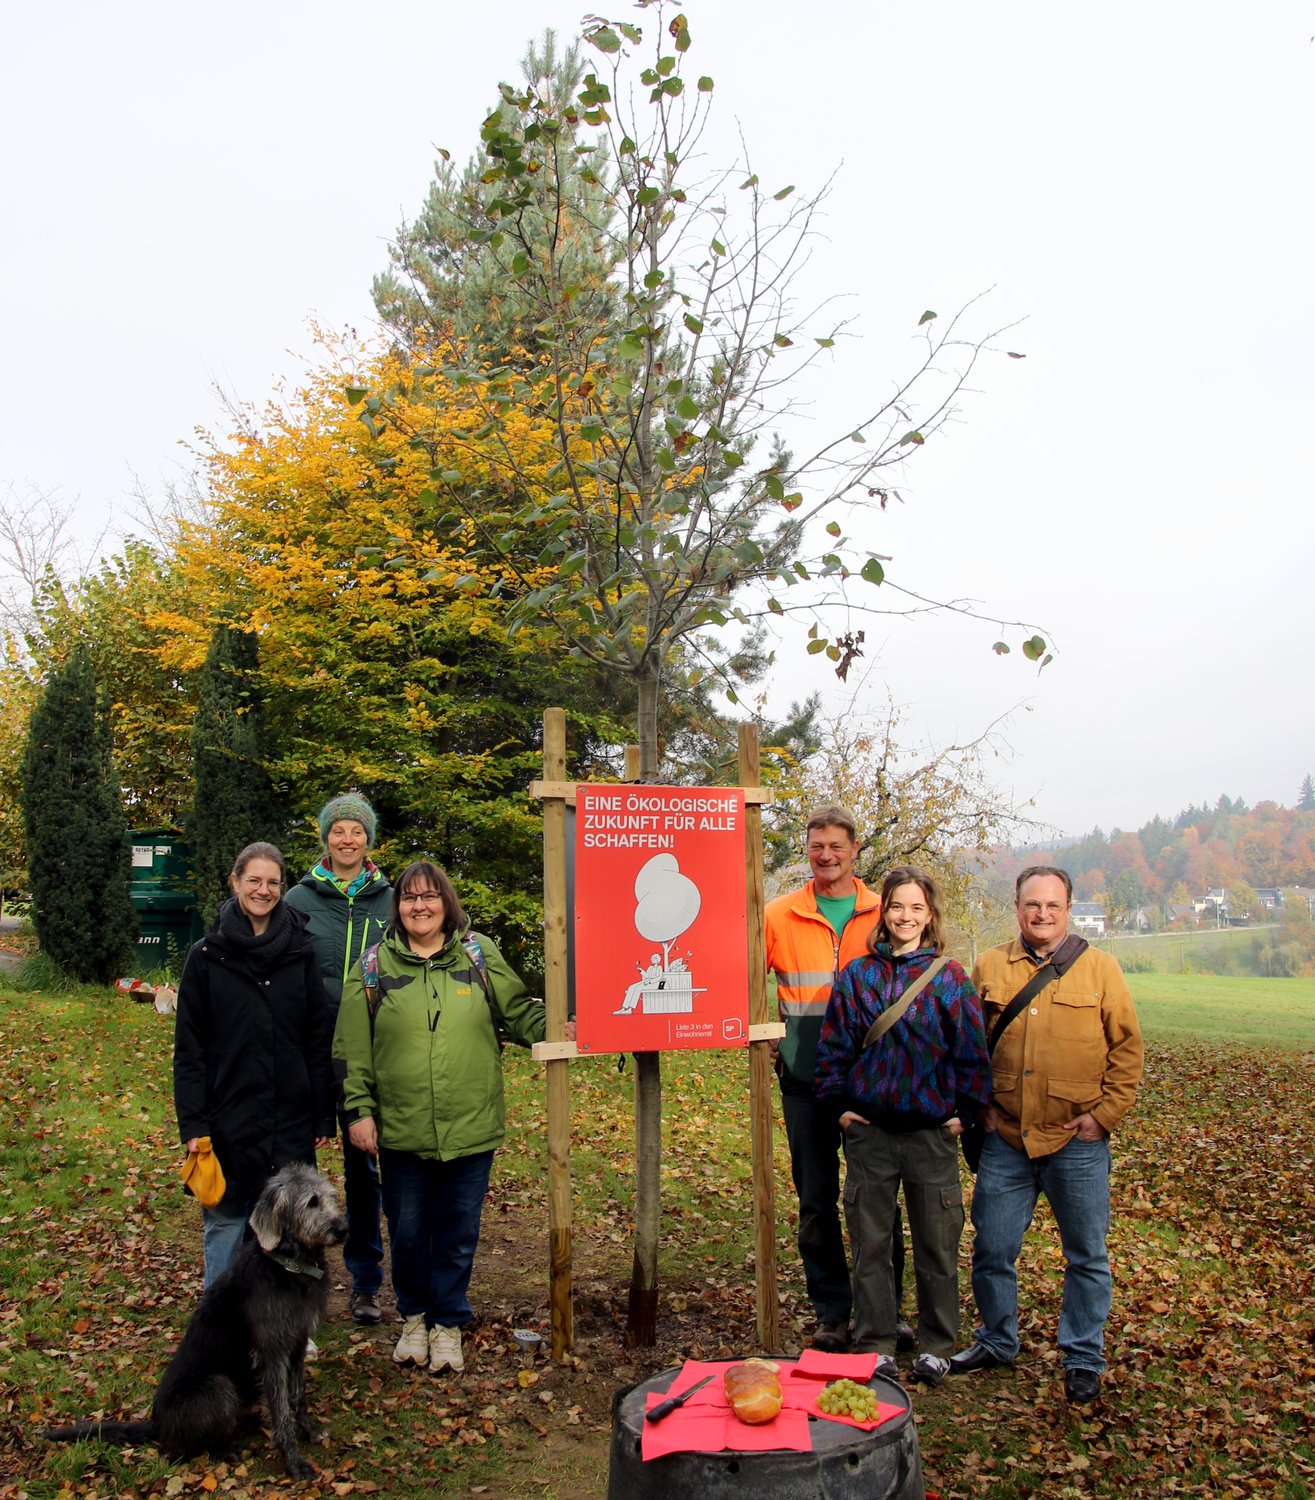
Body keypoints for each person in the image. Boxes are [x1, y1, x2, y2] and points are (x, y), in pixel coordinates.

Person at [334, 860, 570, 1375]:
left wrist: (561, 1026)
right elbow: (351, 1047)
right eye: (409, 897)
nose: (419, 906)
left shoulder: (477, 954)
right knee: (408, 1232)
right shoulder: (373, 966)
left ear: (446, 902)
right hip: (401, 1129)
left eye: (429, 896)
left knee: (458, 1232)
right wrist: (359, 1111)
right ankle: (414, 1318)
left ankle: (447, 1324)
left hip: (470, 1124)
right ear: (397, 907)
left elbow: (518, 1012)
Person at [949, 865, 1144, 1405]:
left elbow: (1127, 1050)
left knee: (1087, 1256)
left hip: (1075, 1142)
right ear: (1016, 907)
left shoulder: (1101, 969)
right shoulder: (989, 966)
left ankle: (1082, 1356)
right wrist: (981, 1106)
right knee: (992, 1248)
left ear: (1068, 910)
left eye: (1053, 905)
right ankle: (996, 1340)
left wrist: (1104, 1117)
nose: (1042, 914)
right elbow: (966, 1047)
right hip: (1006, 1139)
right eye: (1032, 904)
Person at [814, 867, 990, 1385]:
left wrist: (963, 1115)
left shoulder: (949, 978)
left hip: (930, 1135)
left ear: (930, 915)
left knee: (937, 1242)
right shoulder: (858, 976)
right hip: (870, 1134)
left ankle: (937, 1343)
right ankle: (876, 1343)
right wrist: (838, 1107)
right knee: (871, 1244)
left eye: (915, 908)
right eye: (896, 906)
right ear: (883, 911)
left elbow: (972, 1054)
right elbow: (833, 1048)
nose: (905, 917)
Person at [765, 803, 906, 1353]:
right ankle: (831, 1313)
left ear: (854, 851)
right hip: (805, 1079)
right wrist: (763, 1026)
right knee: (817, 1202)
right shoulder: (780, 914)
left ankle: (885, 1312)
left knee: (878, 1201)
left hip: (873, 1081)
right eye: (817, 846)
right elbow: (743, 976)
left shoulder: (883, 911)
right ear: (807, 850)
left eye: (836, 847)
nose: (826, 856)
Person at [174, 842, 335, 1289]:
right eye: (254, 881)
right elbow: (189, 1050)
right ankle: (221, 1316)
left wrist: (323, 1114)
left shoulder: (300, 953)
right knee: (226, 1222)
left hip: (290, 1118)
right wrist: (193, 1124)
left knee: (289, 1227)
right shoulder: (206, 957)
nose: (263, 890)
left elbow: (316, 1039)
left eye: (272, 882)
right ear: (235, 882)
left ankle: (285, 1318)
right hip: (226, 1116)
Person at [284, 793, 392, 1325]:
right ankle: (293, 1280)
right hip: (305, 1052)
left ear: (368, 839)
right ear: (325, 837)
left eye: (356, 831)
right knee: (297, 1172)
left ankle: (366, 1283)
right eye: (338, 831)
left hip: (364, 1054)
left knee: (363, 1171)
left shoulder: (390, 900)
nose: (347, 840)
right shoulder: (297, 899)